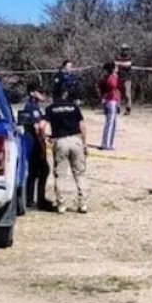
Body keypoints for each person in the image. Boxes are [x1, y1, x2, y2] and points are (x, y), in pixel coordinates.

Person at [45, 82, 88, 214]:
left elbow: (42, 125)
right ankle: (83, 204)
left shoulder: (50, 108)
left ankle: (61, 205)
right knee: (79, 174)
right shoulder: (74, 107)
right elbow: (82, 127)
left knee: (60, 175)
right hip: (75, 140)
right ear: (65, 93)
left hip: (60, 141)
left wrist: (46, 137)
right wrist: (84, 143)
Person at [23, 83, 53, 211]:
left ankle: (33, 199)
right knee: (40, 170)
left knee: (37, 171)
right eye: (39, 92)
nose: (43, 94)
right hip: (34, 142)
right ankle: (35, 200)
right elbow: (36, 127)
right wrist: (42, 139)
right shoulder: (31, 107)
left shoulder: (35, 106)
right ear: (32, 93)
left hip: (35, 140)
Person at [97, 61, 120, 150]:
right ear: (113, 69)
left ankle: (109, 143)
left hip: (113, 100)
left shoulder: (111, 77)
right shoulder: (111, 77)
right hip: (110, 101)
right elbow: (112, 86)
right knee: (109, 123)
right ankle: (105, 144)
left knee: (113, 123)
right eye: (116, 67)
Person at [115, 43, 132, 114]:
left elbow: (128, 64)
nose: (125, 51)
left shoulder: (129, 57)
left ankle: (128, 109)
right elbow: (115, 65)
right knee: (118, 94)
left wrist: (119, 64)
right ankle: (117, 108)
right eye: (123, 49)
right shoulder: (118, 57)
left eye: (126, 49)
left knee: (127, 94)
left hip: (127, 78)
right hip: (119, 78)